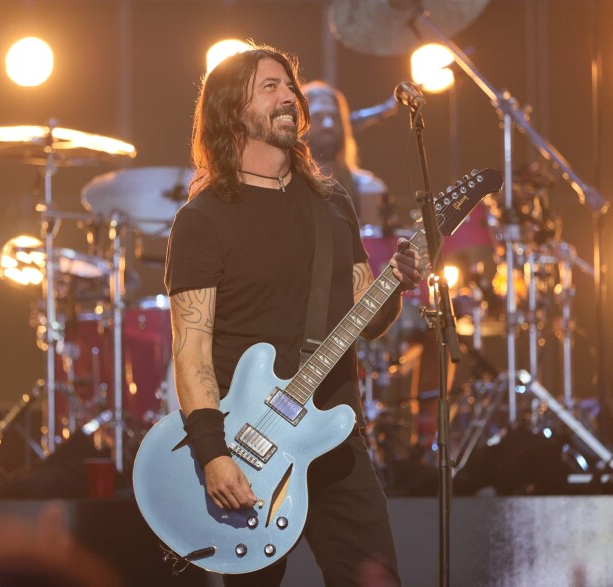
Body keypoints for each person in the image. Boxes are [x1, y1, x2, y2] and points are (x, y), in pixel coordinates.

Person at [163, 44, 421, 586]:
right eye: (269, 87)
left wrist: (395, 286)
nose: (288, 97)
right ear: (233, 111)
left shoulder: (332, 205)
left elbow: (364, 320)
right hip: (247, 453)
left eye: (289, 86)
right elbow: (191, 351)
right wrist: (212, 456)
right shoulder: (202, 220)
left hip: (334, 442)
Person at [303, 81, 395, 230]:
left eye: (335, 117)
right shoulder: (286, 185)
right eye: (318, 117)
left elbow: (374, 249)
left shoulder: (366, 187)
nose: (328, 124)